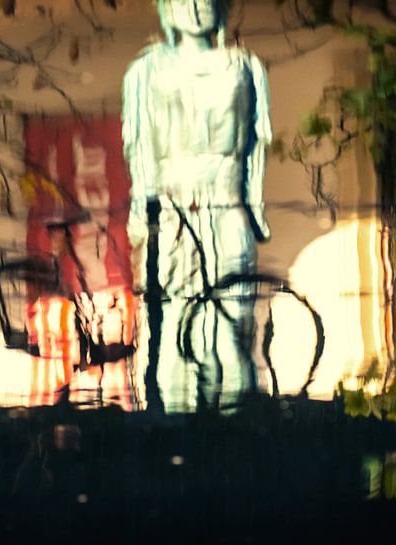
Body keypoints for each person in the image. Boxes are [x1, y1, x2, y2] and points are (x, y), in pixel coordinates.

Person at [122, 0, 272, 412]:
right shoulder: (147, 71)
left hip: (227, 205)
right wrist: (144, 215)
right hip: (170, 212)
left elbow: (256, 148)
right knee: (169, 327)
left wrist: (253, 208)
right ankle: (174, 428)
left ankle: (232, 430)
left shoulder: (245, 67)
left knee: (230, 327)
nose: (194, 6)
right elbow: (140, 149)